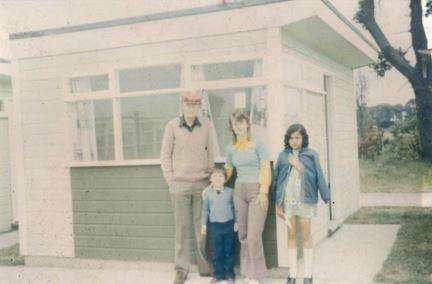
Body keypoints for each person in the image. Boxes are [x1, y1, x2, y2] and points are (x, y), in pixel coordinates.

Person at [160, 90, 214, 284]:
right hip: (179, 186)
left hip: (201, 184)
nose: (191, 108)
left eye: (195, 105)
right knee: (181, 229)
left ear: (199, 106)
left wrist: (207, 179)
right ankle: (181, 269)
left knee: (202, 227)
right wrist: (171, 180)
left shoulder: (206, 126)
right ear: (182, 106)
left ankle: (205, 266)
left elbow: (211, 155)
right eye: (188, 105)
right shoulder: (172, 126)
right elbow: (165, 156)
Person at [272, 123, 331, 284]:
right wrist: (277, 204)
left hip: (305, 202)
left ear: (303, 138)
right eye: (291, 138)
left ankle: (308, 275)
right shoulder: (283, 156)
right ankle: (292, 274)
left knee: (306, 235)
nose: (294, 141)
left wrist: (300, 167)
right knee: (291, 235)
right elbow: (276, 180)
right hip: (288, 203)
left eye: (298, 137)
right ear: (287, 139)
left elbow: (317, 175)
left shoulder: (311, 155)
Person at [224, 109, 271, 284]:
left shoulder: (258, 144)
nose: (238, 126)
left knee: (253, 236)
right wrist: (213, 184)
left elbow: (266, 167)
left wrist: (264, 191)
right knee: (242, 234)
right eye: (235, 124)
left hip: (256, 191)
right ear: (232, 127)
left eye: (241, 122)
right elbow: (228, 171)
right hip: (239, 192)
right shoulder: (231, 149)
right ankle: (247, 273)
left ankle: (256, 275)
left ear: (247, 124)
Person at [201, 167, 238, 284]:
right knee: (217, 251)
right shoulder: (208, 194)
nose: (217, 178)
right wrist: (203, 225)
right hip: (215, 226)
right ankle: (218, 274)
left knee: (229, 251)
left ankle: (229, 274)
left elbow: (235, 208)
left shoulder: (230, 192)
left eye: (221, 176)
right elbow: (205, 211)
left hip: (229, 225)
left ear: (225, 179)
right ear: (210, 178)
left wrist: (237, 222)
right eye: (215, 176)